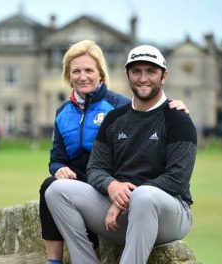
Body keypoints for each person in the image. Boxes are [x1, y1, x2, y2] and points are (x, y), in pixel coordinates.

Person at [39, 40, 190, 264]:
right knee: (51, 188)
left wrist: (119, 198)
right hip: (102, 183)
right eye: (76, 71)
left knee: (142, 196)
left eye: (89, 70)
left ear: (101, 73)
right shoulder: (67, 112)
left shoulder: (121, 107)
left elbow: (173, 177)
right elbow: (62, 158)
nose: (83, 77)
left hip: (132, 191)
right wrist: (60, 168)